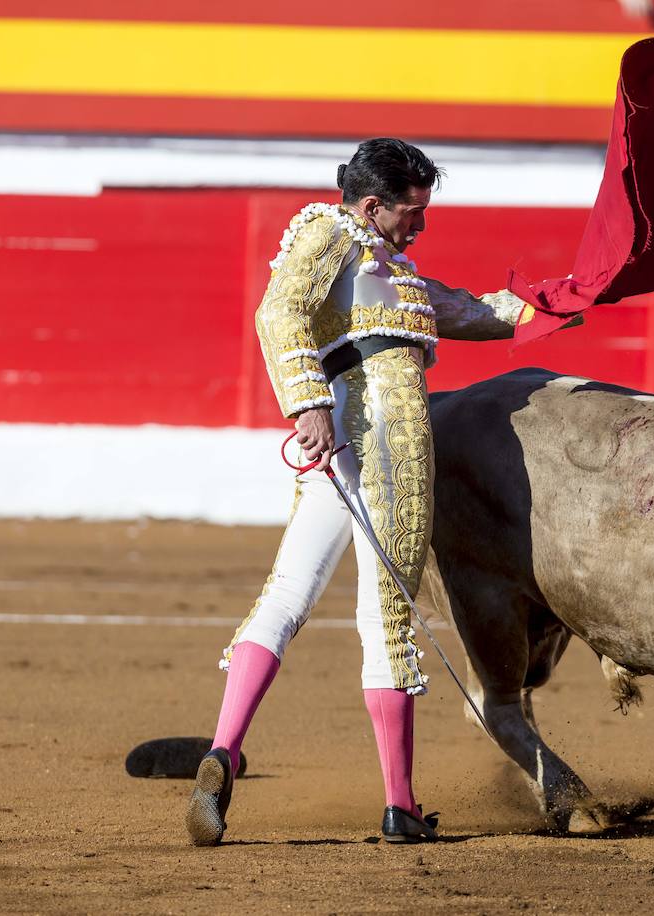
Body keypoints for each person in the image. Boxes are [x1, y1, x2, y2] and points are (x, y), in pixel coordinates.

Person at [185, 138, 538, 847]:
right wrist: (307, 401)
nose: (422, 225)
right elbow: (279, 313)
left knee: (288, 594)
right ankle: (400, 806)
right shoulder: (332, 233)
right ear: (373, 205)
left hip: (347, 434)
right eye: (414, 211)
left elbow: (471, 312)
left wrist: (562, 298)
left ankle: (223, 749)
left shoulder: (390, 268)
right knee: (387, 616)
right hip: (381, 433)